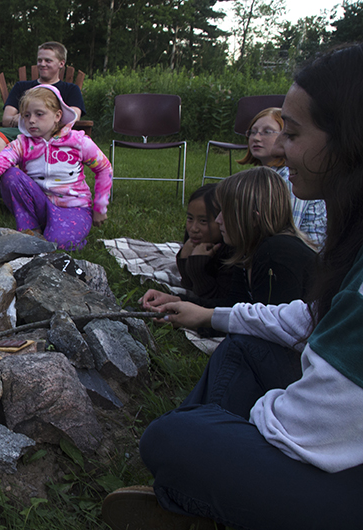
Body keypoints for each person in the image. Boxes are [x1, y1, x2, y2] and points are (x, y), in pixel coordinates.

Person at [102, 44, 363, 530]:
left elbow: (311, 428)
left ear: (350, 140)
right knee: (241, 348)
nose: (282, 151)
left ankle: (196, 494)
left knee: (170, 437)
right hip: (334, 439)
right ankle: (207, 486)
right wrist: (208, 315)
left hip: (346, 482)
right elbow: (309, 317)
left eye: (294, 134)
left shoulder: (283, 254)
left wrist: (235, 424)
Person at [0, 85, 111, 251]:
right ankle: (30, 228)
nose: (31, 120)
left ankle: (62, 233)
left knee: (57, 244)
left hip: (73, 208)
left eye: (39, 114)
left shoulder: (78, 142)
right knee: (10, 174)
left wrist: (100, 206)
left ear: (57, 115)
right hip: (38, 205)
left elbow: (104, 168)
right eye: (26, 115)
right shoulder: (22, 144)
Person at [143, 166, 317, 311]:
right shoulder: (248, 250)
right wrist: (178, 302)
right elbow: (234, 306)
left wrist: (203, 319)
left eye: (224, 213)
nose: (218, 220)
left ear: (253, 218)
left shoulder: (275, 253)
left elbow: (270, 327)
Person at [238, 107, 327, 247]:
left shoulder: (290, 177)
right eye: (253, 132)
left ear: (287, 136)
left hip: (303, 253)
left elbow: (285, 231)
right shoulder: (264, 176)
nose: (256, 138)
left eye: (267, 132)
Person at [0, 42, 85, 158]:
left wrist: (44, 121)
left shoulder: (71, 89)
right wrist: (24, 118)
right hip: (23, 133)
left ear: (61, 63)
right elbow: (6, 119)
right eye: (39, 60)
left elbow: (74, 117)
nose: (42, 64)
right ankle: (13, 170)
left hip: (56, 135)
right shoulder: (21, 87)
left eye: (48, 61)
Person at [176, 184, 233, 300]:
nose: (193, 228)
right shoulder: (194, 246)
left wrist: (196, 267)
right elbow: (189, 287)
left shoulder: (232, 255)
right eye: (190, 218)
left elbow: (215, 301)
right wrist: (184, 259)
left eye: (203, 221)